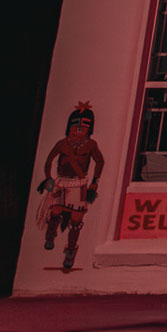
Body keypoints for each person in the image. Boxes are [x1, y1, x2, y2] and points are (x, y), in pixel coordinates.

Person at [37, 103, 106, 271]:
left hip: (79, 184)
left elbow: (100, 161)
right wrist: (48, 179)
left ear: (88, 131)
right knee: (56, 210)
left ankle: (70, 249)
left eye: (82, 129)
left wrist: (95, 181)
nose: (77, 132)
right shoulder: (62, 144)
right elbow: (49, 161)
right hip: (61, 181)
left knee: (76, 219)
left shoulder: (90, 145)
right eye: (74, 128)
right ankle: (51, 232)